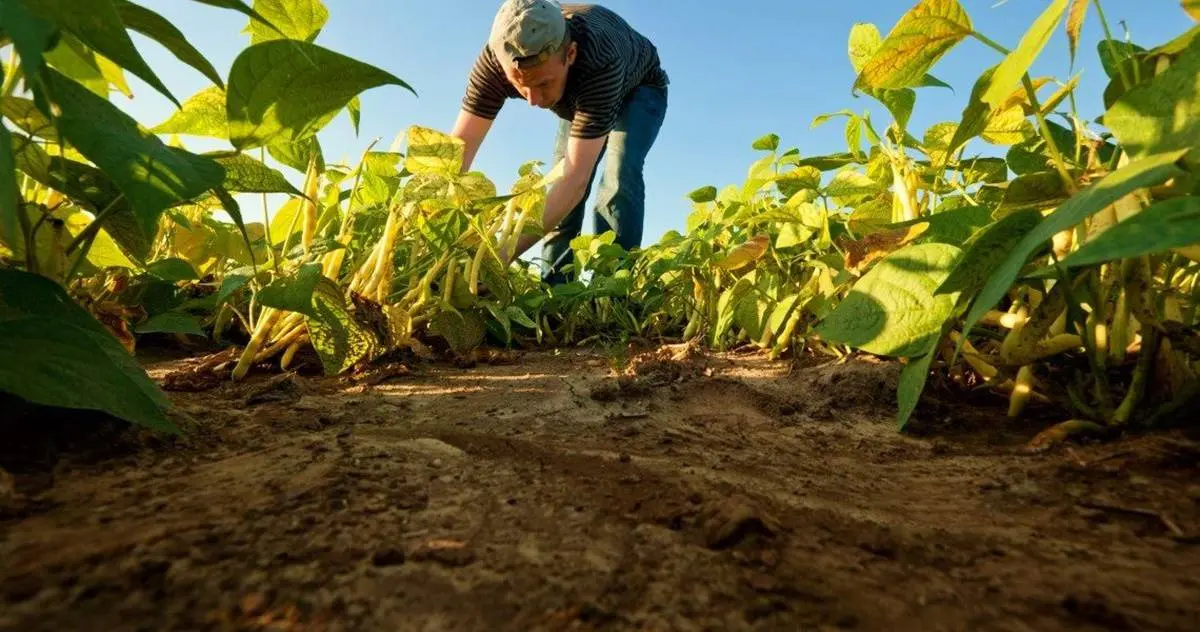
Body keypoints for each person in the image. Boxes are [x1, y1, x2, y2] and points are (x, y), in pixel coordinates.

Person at [450, 0, 669, 285]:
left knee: (618, 173)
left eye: (543, 83)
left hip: (639, 89)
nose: (533, 101)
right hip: (575, 93)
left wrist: (497, 257)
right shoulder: (494, 63)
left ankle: (614, 290)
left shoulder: (599, 59)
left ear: (570, 54)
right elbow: (456, 153)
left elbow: (575, 180)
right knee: (557, 186)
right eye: (519, 85)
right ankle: (555, 292)